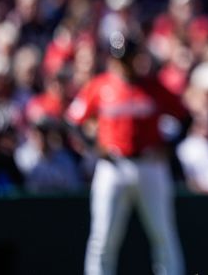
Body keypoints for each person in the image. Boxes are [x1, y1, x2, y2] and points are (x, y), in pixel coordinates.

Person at [66, 31, 186, 275]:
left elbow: (186, 117)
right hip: (113, 165)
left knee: (163, 235)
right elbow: (73, 120)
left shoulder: (153, 86)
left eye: (129, 57)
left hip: (150, 165)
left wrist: (170, 147)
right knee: (103, 238)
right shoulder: (100, 86)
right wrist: (92, 147)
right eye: (121, 58)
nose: (125, 63)